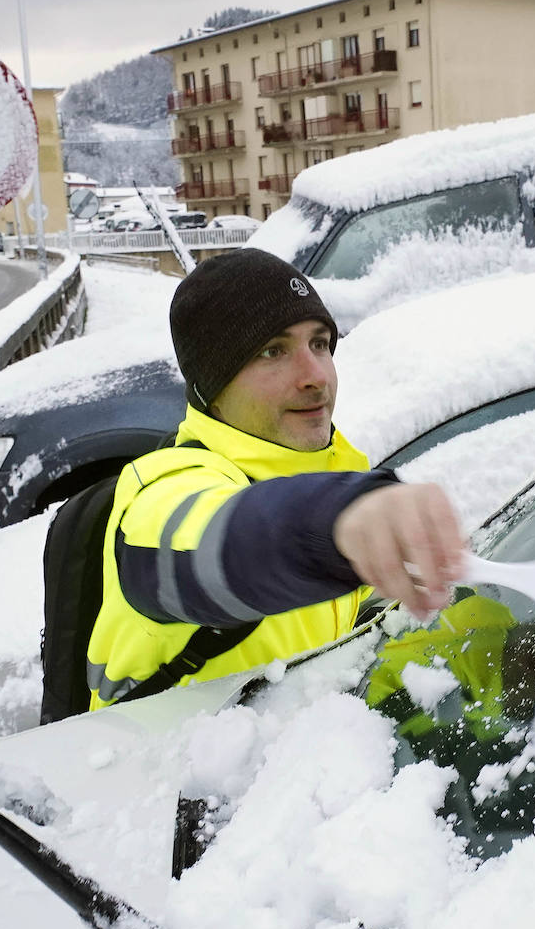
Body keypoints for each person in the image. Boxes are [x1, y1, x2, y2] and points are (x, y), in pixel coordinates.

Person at [85, 247, 467, 709]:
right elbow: (214, 547)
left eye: (320, 344)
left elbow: (360, 643)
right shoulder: (161, 490)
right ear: (213, 386)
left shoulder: (333, 472)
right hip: (141, 777)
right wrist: (336, 521)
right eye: (273, 351)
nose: (315, 376)